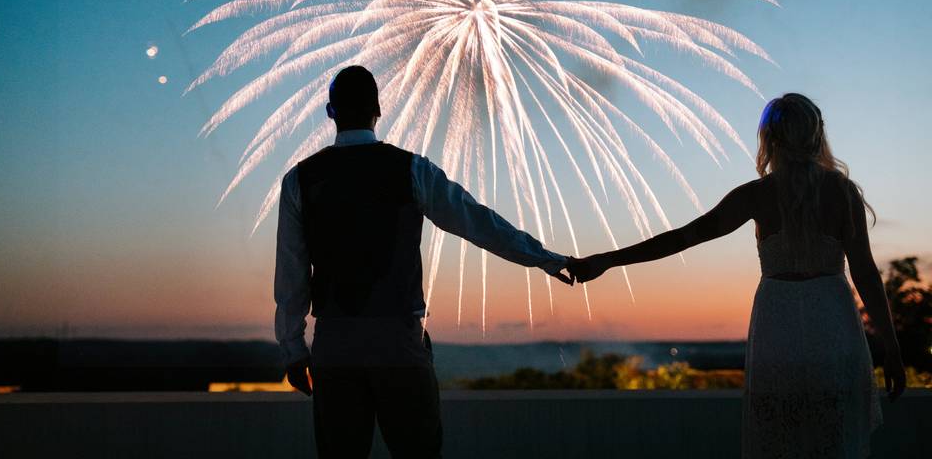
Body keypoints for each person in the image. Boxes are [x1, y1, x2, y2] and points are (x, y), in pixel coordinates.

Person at [568, 93, 905, 458]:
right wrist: (891, 347)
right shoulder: (842, 193)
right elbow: (866, 274)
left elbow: (682, 237)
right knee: (833, 438)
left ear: (769, 138)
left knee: (781, 438)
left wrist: (608, 260)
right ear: (816, 133)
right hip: (833, 326)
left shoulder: (756, 196)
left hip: (778, 329)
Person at [274, 65, 572, 459]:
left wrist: (293, 349)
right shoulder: (411, 169)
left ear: (331, 112)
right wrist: (546, 259)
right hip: (399, 341)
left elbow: (291, 274)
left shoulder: (300, 180)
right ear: (378, 109)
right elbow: (478, 222)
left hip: (334, 344)